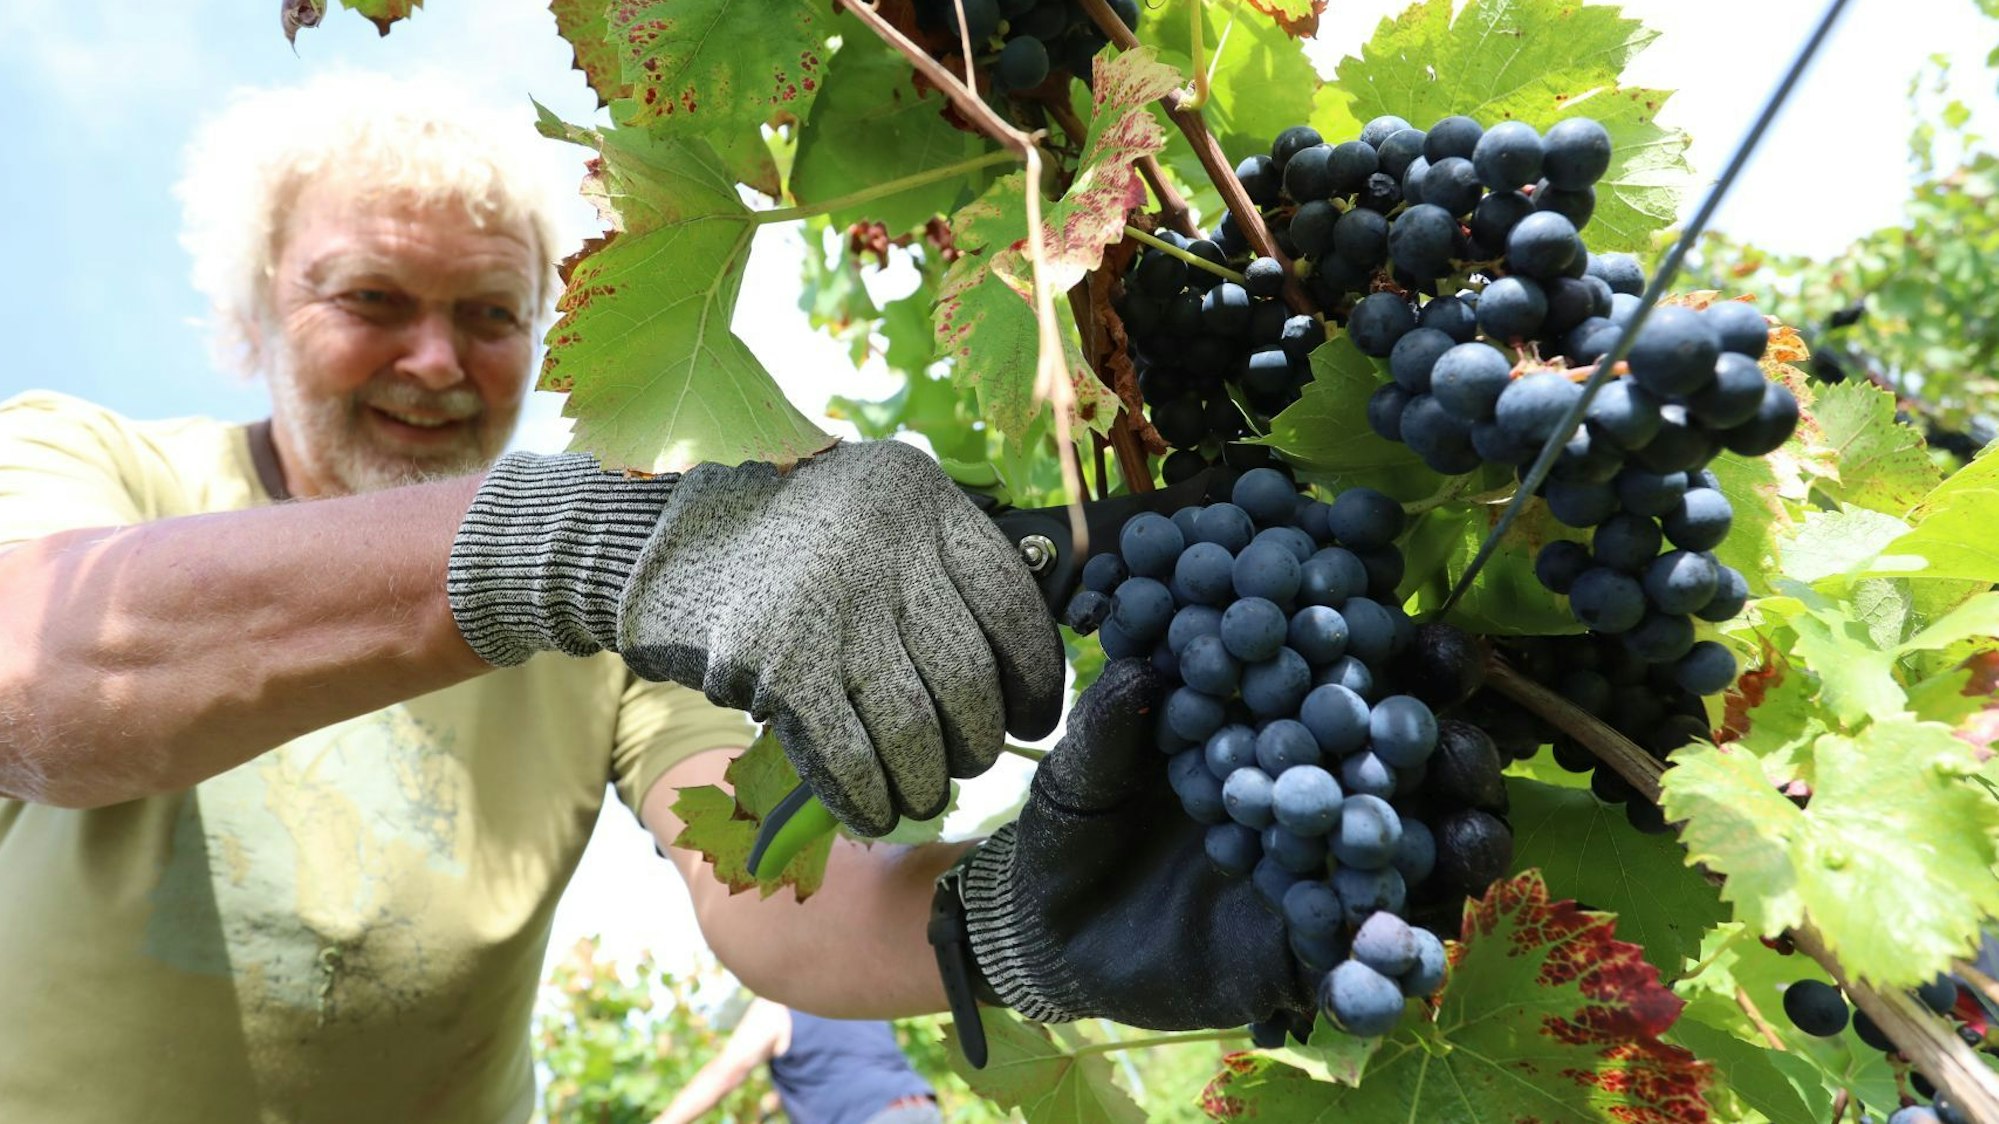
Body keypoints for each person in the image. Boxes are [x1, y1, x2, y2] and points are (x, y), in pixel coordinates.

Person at [0, 71, 1313, 1123]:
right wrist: (584, 545)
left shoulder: (613, 643)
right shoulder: (101, 462)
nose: (435, 359)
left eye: (493, 315)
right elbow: (38, 669)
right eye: (371, 300)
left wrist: (1011, 920)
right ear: (253, 315)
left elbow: (772, 900)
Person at [651, 997, 939, 1124]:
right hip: (919, 1107)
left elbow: (726, 1072)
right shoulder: (847, 997)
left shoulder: (775, 1006)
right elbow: (831, 1066)